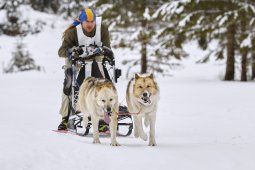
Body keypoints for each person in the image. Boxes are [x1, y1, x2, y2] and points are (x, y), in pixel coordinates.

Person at [57, 8, 113, 130]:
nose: (89, 24)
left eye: (92, 21)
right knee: (69, 85)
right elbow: (61, 51)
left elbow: (107, 47)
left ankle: (103, 119)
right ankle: (65, 118)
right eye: (87, 22)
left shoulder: (102, 29)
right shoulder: (73, 32)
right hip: (75, 60)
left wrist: (107, 52)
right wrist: (72, 50)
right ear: (81, 22)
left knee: (103, 84)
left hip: (96, 58)